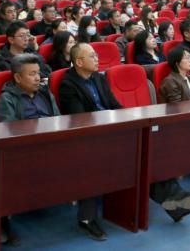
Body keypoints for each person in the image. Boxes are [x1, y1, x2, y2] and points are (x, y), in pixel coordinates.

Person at [58, 42, 123, 241]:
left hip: (111, 130)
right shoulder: (68, 84)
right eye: (93, 56)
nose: (97, 59)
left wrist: (128, 120)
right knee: (92, 162)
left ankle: (170, 195)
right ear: (79, 62)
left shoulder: (99, 78)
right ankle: (87, 219)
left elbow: (114, 104)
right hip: (87, 136)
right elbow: (80, 119)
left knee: (143, 146)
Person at [150, 45, 190, 222]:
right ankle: (178, 201)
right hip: (174, 127)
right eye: (186, 58)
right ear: (176, 62)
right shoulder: (170, 82)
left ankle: (177, 206)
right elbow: (178, 110)